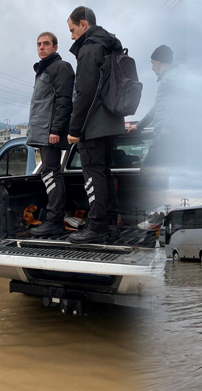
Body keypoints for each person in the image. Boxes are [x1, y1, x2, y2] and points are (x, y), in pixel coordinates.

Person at [66, 5, 124, 244]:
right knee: (104, 172)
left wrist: (74, 129)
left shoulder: (90, 48)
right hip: (112, 121)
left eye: (72, 30)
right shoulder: (110, 45)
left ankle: (97, 226)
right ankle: (110, 221)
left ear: (84, 24)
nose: (71, 36)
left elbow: (85, 93)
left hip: (94, 123)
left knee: (93, 175)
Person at [26, 31, 75, 236]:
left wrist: (56, 130)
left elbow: (65, 100)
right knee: (49, 173)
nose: (42, 47)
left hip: (50, 133)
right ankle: (53, 218)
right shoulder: (43, 70)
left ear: (55, 47)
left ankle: (54, 220)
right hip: (42, 132)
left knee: (51, 173)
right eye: (39, 44)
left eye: (46, 44)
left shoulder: (60, 67)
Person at [127, 44, 183, 211]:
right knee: (161, 176)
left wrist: (168, 128)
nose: (151, 68)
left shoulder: (173, 77)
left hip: (166, 135)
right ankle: (164, 213)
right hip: (164, 133)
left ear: (159, 61)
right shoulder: (169, 78)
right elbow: (156, 108)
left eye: (152, 63)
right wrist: (139, 126)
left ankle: (161, 212)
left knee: (149, 172)